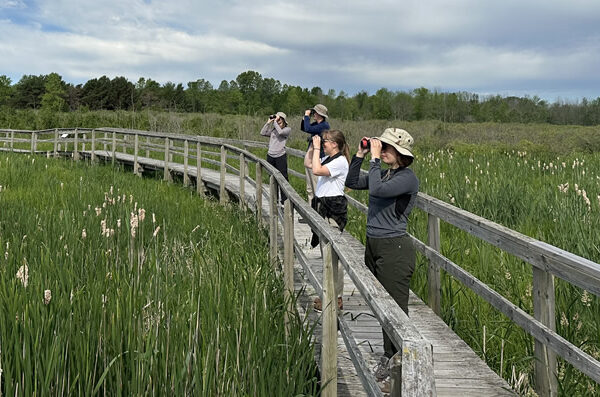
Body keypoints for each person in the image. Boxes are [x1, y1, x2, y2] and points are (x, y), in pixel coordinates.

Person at [344, 127, 419, 387]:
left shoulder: (407, 178)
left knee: (396, 309)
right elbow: (352, 182)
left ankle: (396, 363)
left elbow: (376, 191)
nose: (383, 150)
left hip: (394, 248)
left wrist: (374, 159)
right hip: (374, 244)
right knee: (381, 306)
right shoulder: (385, 174)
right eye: (382, 146)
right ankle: (390, 358)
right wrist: (360, 154)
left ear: (401, 154)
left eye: (387, 148)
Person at [304, 129, 349, 312]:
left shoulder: (340, 161)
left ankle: (335, 298)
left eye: (325, 142)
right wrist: (311, 147)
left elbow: (316, 170)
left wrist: (316, 148)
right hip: (323, 208)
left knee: (332, 257)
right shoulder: (330, 159)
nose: (323, 144)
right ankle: (329, 295)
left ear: (335, 144)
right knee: (326, 255)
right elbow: (308, 163)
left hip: (333, 211)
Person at [260, 112, 291, 204]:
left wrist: (275, 123)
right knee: (272, 178)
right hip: (270, 156)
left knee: (283, 178)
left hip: (280, 156)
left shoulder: (287, 129)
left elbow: (280, 132)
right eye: (278, 118)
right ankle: (274, 199)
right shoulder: (274, 130)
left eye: (280, 119)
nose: (278, 120)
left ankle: (285, 201)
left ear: (284, 121)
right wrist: (268, 122)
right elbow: (262, 133)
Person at [301, 104, 330, 204]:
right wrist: (304, 118)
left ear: (319, 114)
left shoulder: (324, 126)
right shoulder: (317, 124)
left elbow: (308, 129)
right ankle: (310, 212)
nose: (313, 114)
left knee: (315, 186)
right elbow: (305, 128)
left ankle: (317, 212)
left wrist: (307, 116)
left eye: (315, 112)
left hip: (318, 159)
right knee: (309, 188)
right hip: (311, 157)